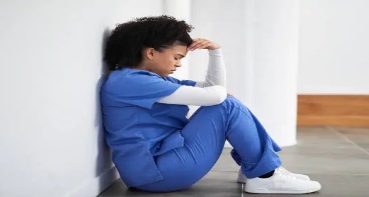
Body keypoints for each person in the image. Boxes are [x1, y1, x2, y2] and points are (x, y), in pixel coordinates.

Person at [101, 15, 321, 194]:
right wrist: (219, 94)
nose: (178, 64)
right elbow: (216, 96)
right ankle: (265, 175)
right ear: (150, 52)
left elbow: (212, 87)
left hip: (155, 167)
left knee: (226, 102)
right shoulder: (131, 82)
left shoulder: (150, 80)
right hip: (156, 174)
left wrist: (216, 52)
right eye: (176, 57)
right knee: (227, 106)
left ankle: (259, 169)